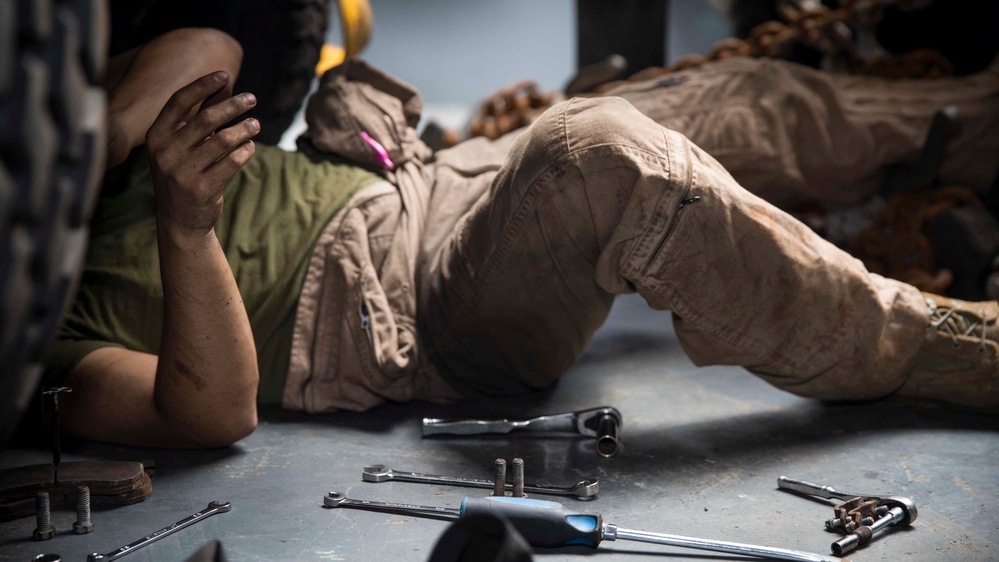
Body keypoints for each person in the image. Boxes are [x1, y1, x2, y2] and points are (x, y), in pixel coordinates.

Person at [48, 28, 998, 449]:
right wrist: (183, 220)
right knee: (602, 153)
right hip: (416, 313)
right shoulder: (41, 351)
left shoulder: (76, 149)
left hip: (430, 185)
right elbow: (209, 413)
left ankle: (984, 118)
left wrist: (111, 147)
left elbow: (204, 42)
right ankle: (945, 350)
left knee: (735, 101)